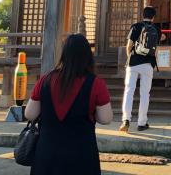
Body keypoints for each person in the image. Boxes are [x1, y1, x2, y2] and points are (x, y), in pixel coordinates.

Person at [24, 34, 112, 175]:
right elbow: (106, 118)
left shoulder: (45, 80)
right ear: (88, 56)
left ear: (64, 55)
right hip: (81, 156)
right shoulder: (96, 83)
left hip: (47, 154)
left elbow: (30, 114)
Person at [119, 6, 163, 132]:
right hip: (148, 64)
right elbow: (157, 44)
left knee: (129, 91)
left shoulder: (136, 26)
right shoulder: (156, 29)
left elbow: (129, 46)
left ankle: (126, 120)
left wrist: (130, 58)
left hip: (133, 62)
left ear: (142, 15)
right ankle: (141, 123)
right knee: (145, 94)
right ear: (153, 17)